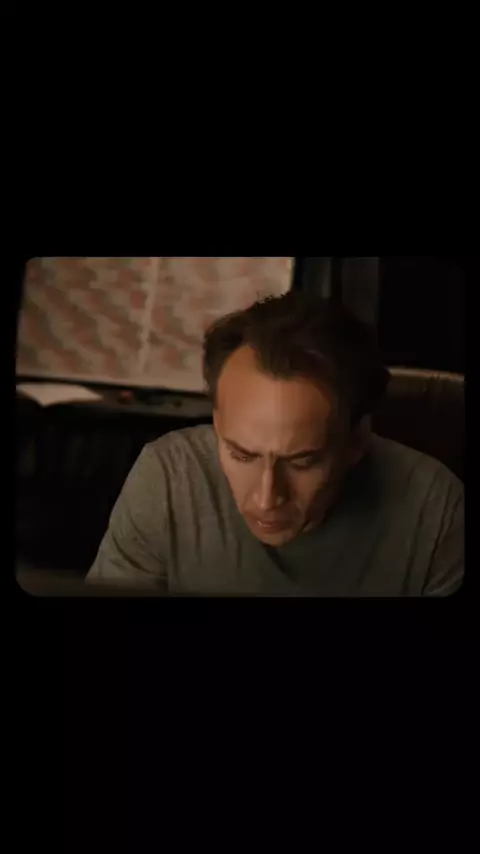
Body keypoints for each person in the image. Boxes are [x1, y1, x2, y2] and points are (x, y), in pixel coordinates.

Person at [87, 291, 464, 596]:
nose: (266, 499)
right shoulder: (167, 478)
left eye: (302, 461)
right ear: (217, 422)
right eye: (241, 454)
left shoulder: (436, 512)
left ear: (356, 441)